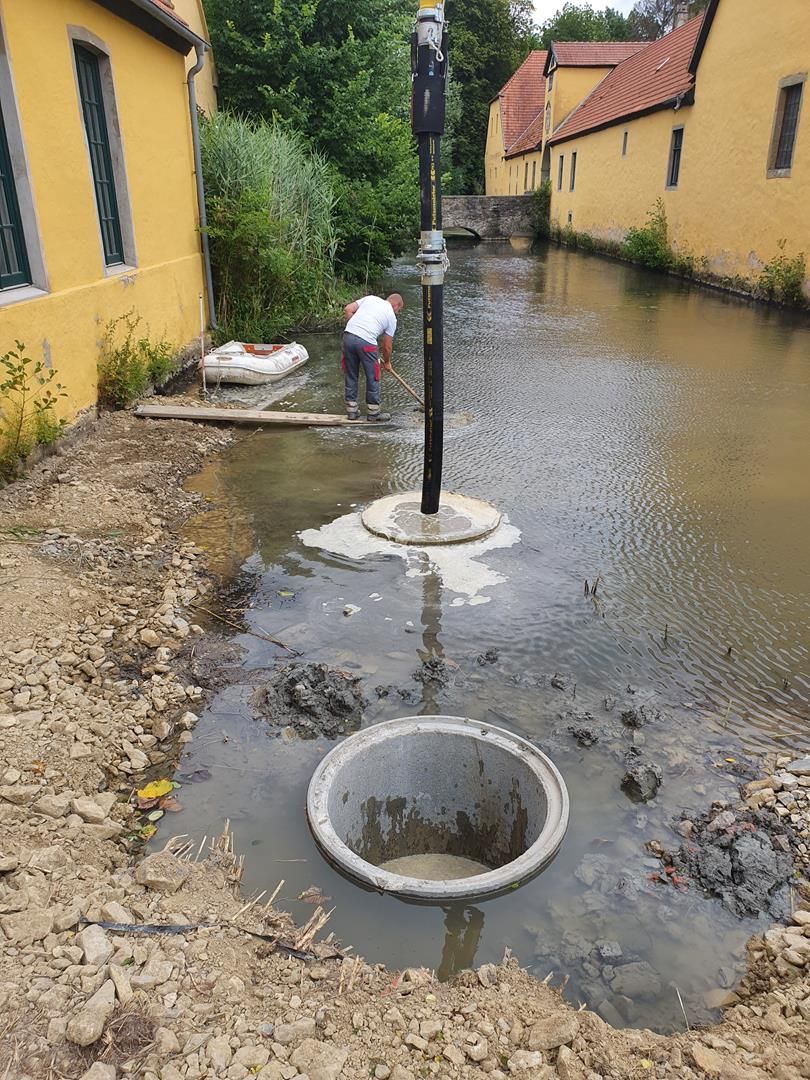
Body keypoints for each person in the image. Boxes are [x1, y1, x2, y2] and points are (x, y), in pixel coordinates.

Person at [341, 293, 405, 421]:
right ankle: (373, 413)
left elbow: (348, 309)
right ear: (396, 305)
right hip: (367, 344)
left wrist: (356, 329)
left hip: (348, 337)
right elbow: (387, 346)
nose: (398, 312)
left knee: (351, 373)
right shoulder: (391, 317)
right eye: (399, 310)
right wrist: (387, 362)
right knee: (373, 376)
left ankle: (352, 412)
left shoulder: (370, 298)